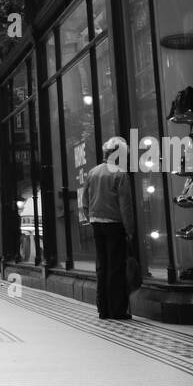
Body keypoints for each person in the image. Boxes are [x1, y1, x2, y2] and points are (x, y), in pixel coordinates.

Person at [82, 136, 136, 320]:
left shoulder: (93, 172)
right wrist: (129, 230)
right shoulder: (120, 174)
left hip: (97, 223)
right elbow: (125, 206)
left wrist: (91, 217)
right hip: (114, 224)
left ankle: (103, 308)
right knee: (116, 267)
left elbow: (85, 201)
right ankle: (117, 309)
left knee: (102, 266)